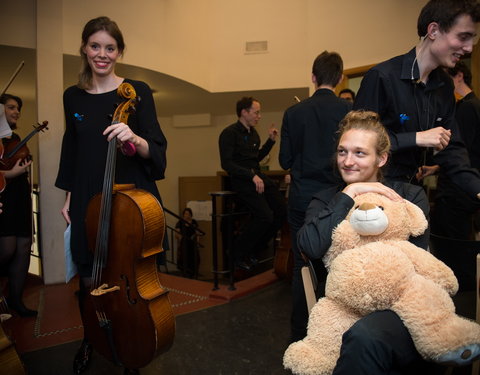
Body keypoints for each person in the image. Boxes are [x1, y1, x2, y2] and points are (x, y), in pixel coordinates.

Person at [55, 16, 167, 375]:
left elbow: (157, 150)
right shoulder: (72, 95)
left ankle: (132, 344)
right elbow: (71, 150)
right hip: (88, 194)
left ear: (119, 52)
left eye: (110, 47)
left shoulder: (138, 91)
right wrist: (70, 198)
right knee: (89, 279)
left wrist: (134, 138)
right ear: (84, 49)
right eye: (95, 46)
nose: (102, 54)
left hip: (128, 200)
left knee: (130, 274)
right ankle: (93, 336)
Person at [298, 110, 441, 375]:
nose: (348, 161)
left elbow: (420, 259)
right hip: (344, 307)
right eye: (342, 152)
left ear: (382, 158)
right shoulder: (325, 199)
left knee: (365, 336)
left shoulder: (408, 196)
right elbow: (310, 247)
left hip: (401, 309)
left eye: (359, 153)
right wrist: (349, 194)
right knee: (360, 336)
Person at [353, 0, 480, 203]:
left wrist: (477, 188)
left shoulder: (445, 85)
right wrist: (417, 138)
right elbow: (358, 142)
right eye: (463, 37)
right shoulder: (382, 77)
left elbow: (452, 149)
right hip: (375, 195)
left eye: (472, 39)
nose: (468, 48)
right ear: (433, 30)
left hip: (414, 193)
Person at [279, 51, 352, 342]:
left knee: (302, 265)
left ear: (313, 77)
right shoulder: (348, 110)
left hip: (301, 198)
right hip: (337, 198)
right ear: (340, 78)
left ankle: (300, 334)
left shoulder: (294, 113)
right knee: (338, 263)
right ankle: (336, 333)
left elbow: (285, 160)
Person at [219, 97, 286, 271]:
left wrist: (270, 141)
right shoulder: (229, 133)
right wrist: (250, 176)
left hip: (257, 177)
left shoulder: (254, 134)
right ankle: (237, 253)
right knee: (265, 216)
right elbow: (227, 164)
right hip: (242, 181)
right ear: (244, 112)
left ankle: (254, 250)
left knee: (281, 211)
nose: (259, 116)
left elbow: (255, 159)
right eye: (256, 112)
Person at [429, 61, 480, 239]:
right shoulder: (474, 104)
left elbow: (458, 150)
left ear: (459, 76)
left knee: (453, 246)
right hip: (467, 185)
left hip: (457, 189)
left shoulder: (466, 107)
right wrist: (435, 168)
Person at [0, 93, 36, 318]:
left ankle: (16, 300)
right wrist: (9, 172)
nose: (16, 112)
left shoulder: (15, 137)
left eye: (18, 109)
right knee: (7, 249)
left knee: (23, 248)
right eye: (11, 107)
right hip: (3, 196)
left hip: (21, 194)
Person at [175, 207, 200, 278]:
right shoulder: (180, 222)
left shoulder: (194, 222)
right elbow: (177, 233)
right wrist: (180, 240)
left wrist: (198, 242)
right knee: (183, 258)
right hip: (184, 243)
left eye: (188, 214)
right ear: (183, 215)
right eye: (185, 214)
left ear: (191, 215)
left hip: (192, 243)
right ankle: (185, 274)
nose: (187, 215)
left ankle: (193, 274)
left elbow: (197, 233)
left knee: (194, 258)